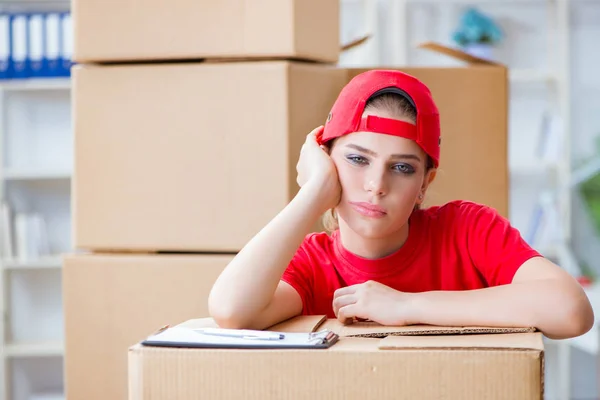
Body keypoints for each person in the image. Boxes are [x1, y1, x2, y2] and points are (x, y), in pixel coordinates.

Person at [208, 69, 594, 340]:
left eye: (403, 168)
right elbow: (231, 311)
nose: (376, 186)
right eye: (357, 160)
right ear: (326, 162)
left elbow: (570, 311)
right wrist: (313, 191)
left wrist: (406, 307)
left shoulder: (467, 230)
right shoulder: (312, 263)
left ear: (424, 184)